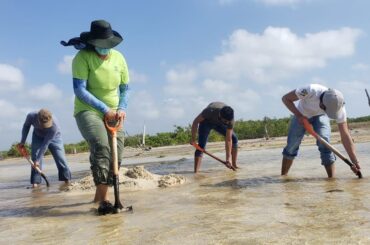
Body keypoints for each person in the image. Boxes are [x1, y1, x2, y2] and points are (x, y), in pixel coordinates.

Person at [68, 20, 130, 215]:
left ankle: (98, 197)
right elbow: (80, 90)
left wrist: (121, 107)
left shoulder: (119, 58)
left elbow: (125, 88)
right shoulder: (81, 57)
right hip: (89, 110)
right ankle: (104, 200)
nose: (105, 49)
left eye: (108, 46)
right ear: (93, 42)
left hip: (114, 111)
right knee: (101, 146)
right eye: (101, 46)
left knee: (117, 154)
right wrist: (105, 109)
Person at [281, 83, 361, 178]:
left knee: (325, 145)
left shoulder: (339, 107)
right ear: (322, 102)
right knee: (292, 145)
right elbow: (286, 98)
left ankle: (332, 181)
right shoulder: (310, 90)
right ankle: (283, 177)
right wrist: (299, 116)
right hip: (302, 113)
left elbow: (345, 135)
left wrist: (354, 161)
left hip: (320, 116)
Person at [18, 109, 72, 188]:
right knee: (35, 157)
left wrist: (38, 160)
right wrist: (22, 141)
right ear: (38, 119)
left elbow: (45, 144)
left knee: (61, 159)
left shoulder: (55, 126)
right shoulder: (31, 116)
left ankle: (67, 181)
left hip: (55, 138)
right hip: (37, 136)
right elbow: (26, 126)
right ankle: (35, 183)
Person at [191, 102, 238, 173]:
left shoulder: (230, 120)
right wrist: (193, 139)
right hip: (206, 122)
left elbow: (228, 139)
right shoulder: (209, 111)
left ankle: (234, 165)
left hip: (220, 124)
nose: (227, 123)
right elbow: (195, 122)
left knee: (234, 139)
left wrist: (228, 159)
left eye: (228, 122)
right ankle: (196, 172)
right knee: (201, 146)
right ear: (220, 116)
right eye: (226, 121)